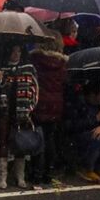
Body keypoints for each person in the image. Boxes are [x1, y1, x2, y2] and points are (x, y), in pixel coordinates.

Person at [0, 44, 39, 189]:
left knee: (21, 142)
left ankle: (20, 177)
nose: (16, 54)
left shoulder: (29, 68)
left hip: (23, 110)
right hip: (5, 110)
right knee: (3, 142)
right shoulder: (1, 68)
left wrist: (31, 107)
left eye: (18, 51)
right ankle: (3, 177)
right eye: (13, 51)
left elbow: (35, 89)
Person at [29, 32, 69, 184]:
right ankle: (47, 172)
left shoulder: (35, 60)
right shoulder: (61, 64)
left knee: (37, 138)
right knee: (50, 138)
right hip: (56, 104)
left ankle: (35, 172)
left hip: (39, 102)